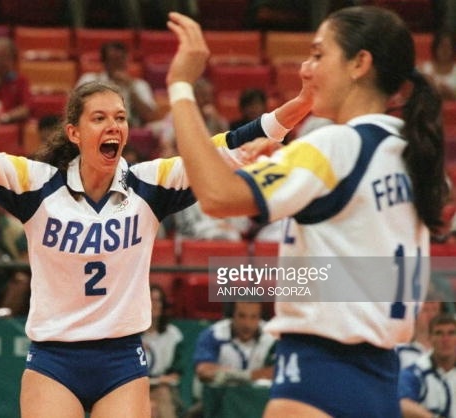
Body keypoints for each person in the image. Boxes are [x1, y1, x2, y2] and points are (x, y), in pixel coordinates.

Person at [0, 43, 312, 417]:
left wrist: (300, 106)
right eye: (99, 118)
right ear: (74, 132)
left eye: (119, 117)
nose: (114, 125)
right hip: (54, 358)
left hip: (121, 359)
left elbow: (227, 149)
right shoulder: (36, 185)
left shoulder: (150, 185)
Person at [166, 6, 448, 418]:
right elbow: (353, 256)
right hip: (381, 373)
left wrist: (180, 88)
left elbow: (216, 196)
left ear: (359, 63)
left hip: (320, 372)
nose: (306, 67)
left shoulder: (335, 146)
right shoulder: (407, 151)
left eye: (318, 54)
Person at [187, 302, 275, 418]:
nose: (247, 324)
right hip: (216, 402)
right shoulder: (214, 334)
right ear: (231, 315)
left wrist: (239, 376)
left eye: (254, 317)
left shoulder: (272, 336)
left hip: (258, 403)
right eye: (242, 316)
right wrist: (253, 375)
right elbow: (204, 370)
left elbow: (278, 371)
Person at [75, 41, 157, 128]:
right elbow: (75, 109)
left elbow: (150, 117)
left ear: (127, 61)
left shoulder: (139, 85)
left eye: (121, 59)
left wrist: (131, 89)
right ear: (104, 62)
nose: (117, 64)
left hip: (130, 130)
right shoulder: (89, 79)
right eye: (113, 60)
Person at [398, 313, 456, 418]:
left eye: (451, 333)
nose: (445, 339)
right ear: (429, 338)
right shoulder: (416, 372)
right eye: (439, 333)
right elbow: (402, 404)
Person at [142, 284, 185, 418]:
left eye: (158, 300)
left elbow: (177, 374)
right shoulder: (130, 334)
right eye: (151, 300)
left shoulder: (173, 335)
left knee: (162, 393)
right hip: (136, 387)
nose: (155, 305)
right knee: (150, 407)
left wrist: (160, 380)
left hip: (164, 388)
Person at [396, 293, 444, 369]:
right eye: (425, 310)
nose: (431, 315)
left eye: (435, 309)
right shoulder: (399, 350)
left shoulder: (449, 350)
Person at [418, 30, 456, 101]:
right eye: (442, 46)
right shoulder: (423, 69)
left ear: (453, 50)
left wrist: (451, 94)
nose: (445, 50)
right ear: (435, 48)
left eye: (448, 47)